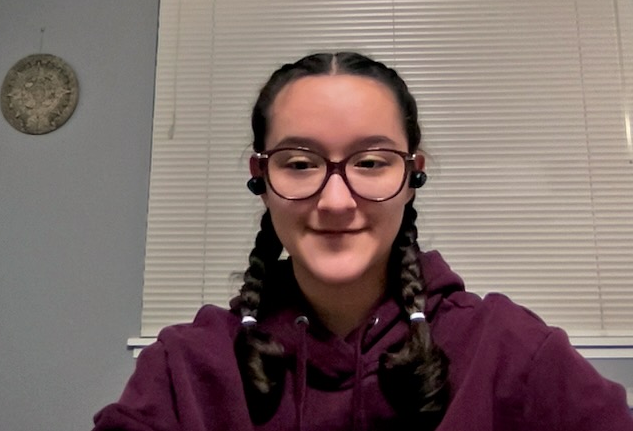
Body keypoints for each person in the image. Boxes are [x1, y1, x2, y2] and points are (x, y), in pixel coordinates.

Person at [92, 52, 633, 431]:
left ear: (412, 174)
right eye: (300, 163)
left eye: (371, 162)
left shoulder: (509, 350)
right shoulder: (184, 369)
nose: (335, 201)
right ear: (261, 177)